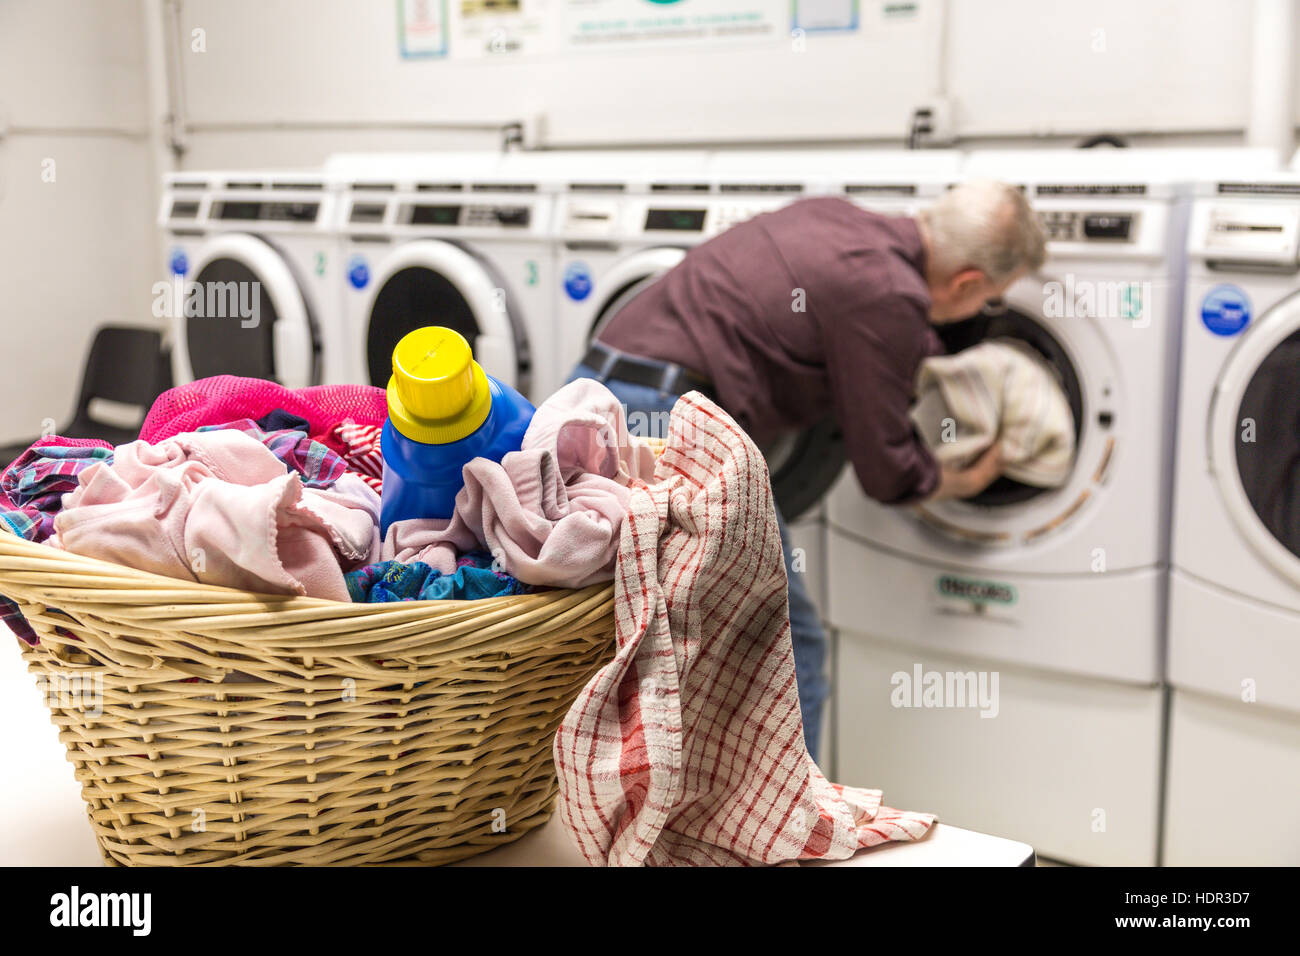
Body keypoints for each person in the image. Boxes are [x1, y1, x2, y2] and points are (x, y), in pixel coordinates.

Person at [568, 178, 1048, 763]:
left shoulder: (837, 218)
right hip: (668, 424)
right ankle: (795, 841)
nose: (981, 312)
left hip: (599, 396)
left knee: (632, 630)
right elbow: (887, 468)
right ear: (968, 282)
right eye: (990, 300)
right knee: (791, 648)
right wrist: (964, 480)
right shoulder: (888, 295)